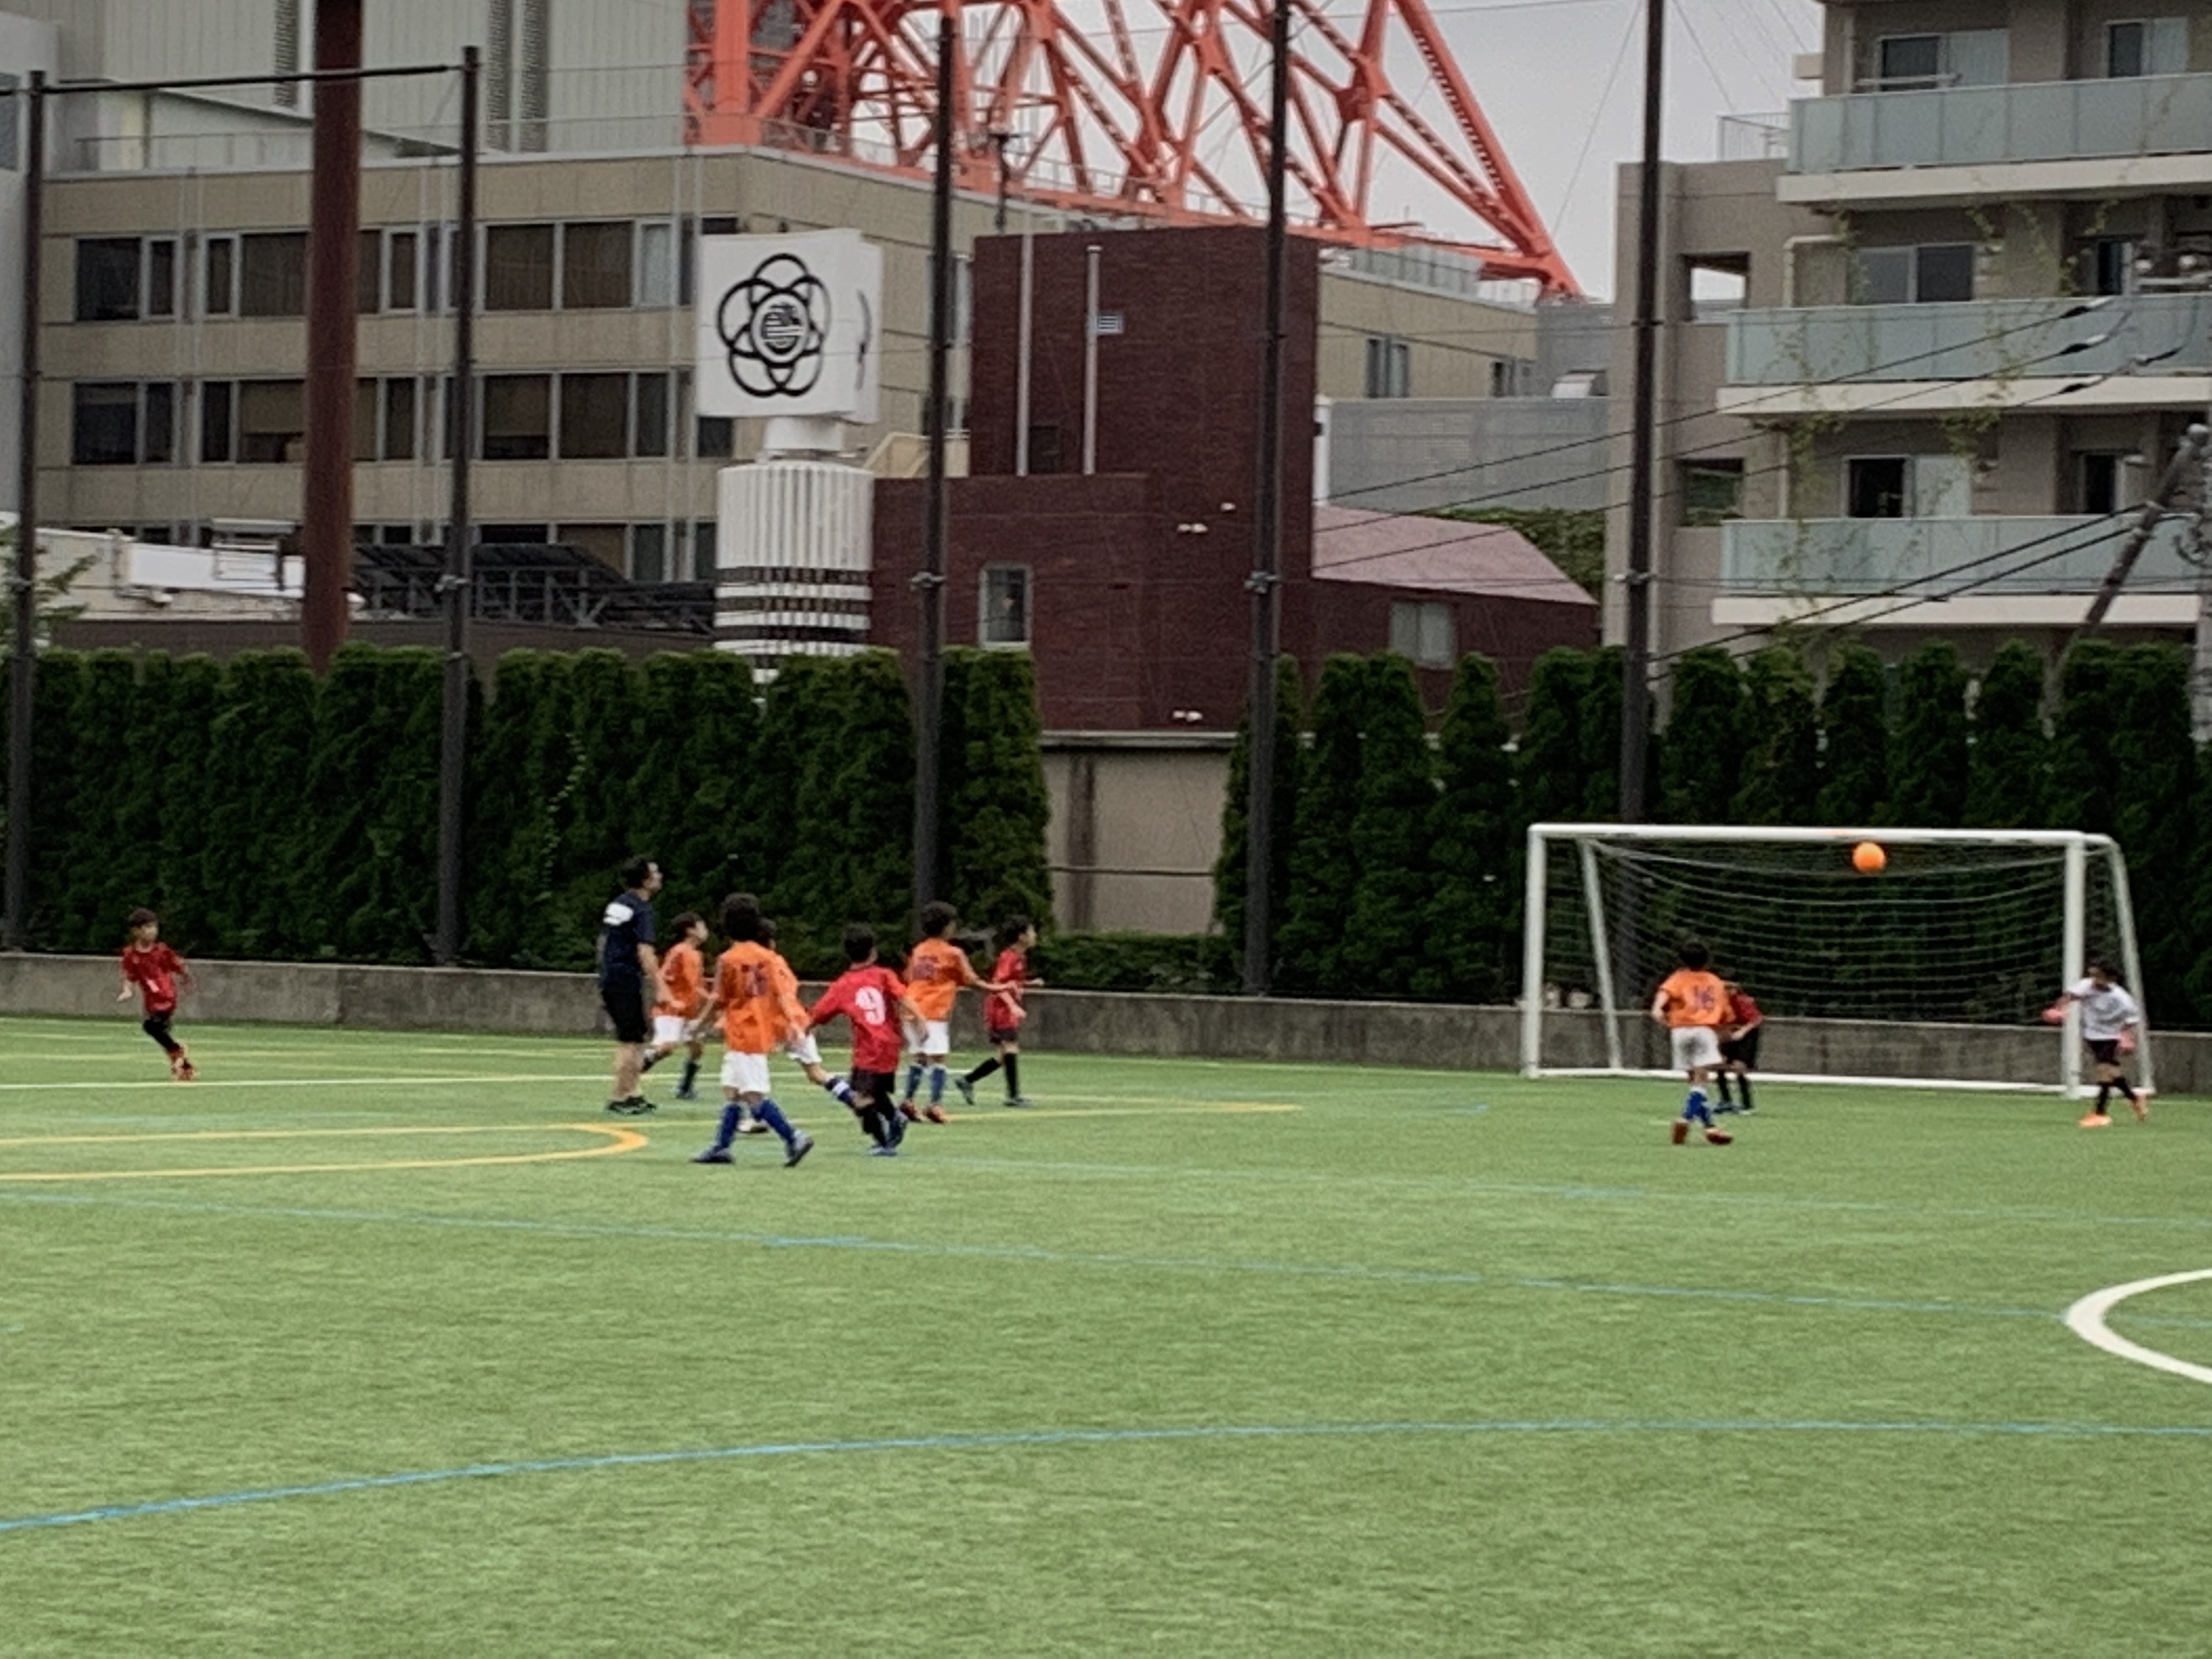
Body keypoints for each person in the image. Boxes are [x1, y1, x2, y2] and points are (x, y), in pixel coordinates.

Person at [692, 894, 814, 1167]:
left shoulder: (728, 959)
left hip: (741, 1033)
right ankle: (721, 1146)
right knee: (733, 1091)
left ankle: (793, 1136)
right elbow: (781, 995)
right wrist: (794, 1023)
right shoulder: (767, 958)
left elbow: (718, 998)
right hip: (760, 1031)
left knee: (753, 1096)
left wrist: (698, 1024)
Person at [808, 924, 922, 1155]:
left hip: (870, 1048)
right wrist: (921, 1020)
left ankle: (884, 1143)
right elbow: (904, 997)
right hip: (889, 1045)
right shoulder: (884, 975)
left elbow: (818, 1014)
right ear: (873, 952)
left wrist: (800, 1033)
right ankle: (895, 1118)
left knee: (861, 1099)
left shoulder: (842, 985)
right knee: (875, 1091)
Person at [899, 900, 1003, 1123]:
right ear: (947, 926)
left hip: (911, 1009)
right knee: (938, 1060)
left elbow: (909, 977)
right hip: (933, 1011)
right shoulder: (953, 953)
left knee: (919, 1057)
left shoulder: (919, 950)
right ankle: (935, 1105)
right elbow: (972, 979)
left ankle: (908, 1101)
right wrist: (997, 988)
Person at [598, 855, 666, 1117]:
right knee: (630, 1039)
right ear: (645, 880)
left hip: (612, 974)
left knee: (636, 1035)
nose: (659, 876)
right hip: (625, 977)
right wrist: (661, 986)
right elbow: (645, 952)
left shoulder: (619, 903)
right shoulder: (641, 909)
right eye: (655, 873)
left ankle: (633, 1092)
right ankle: (620, 1096)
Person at [1651, 939, 1733, 1147]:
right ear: (1707, 960)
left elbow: (1662, 997)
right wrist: (1724, 1033)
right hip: (1704, 1030)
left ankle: (1710, 1127)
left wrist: (1659, 1010)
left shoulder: (1678, 978)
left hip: (1680, 1031)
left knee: (1694, 1083)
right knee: (1701, 1082)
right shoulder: (1715, 981)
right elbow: (1726, 1013)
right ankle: (1685, 1117)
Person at [956, 915, 1043, 1108]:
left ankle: (967, 1080)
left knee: (1003, 1055)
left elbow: (1013, 982)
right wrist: (1012, 1005)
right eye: (1031, 931)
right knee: (1011, 1048)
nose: (1034, 935)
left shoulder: (1020, 957)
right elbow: (998, 983)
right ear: (1021, 936)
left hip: (1005, 1009)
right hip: (1000, 1010)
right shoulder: (1009, 957)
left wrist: (1029, 983)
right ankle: (1013, 1096)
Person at [2052, 959, 2148, 1127]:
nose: (2094, 980)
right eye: (2093, 976)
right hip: (2091, 1034)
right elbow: (2069, 997)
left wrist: (2126, 1037)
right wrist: (2059, 1010)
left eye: (2099, 976)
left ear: (2110, 979)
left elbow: (2132, 1019)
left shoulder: (2122, 999)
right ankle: (2134, 1098)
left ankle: (2100, 1113)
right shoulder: (2086, 985)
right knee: (2113, 1073)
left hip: (2111, 1035)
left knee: (2103, 1071)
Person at [117, 907, 195, 1080]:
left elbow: (177, 965)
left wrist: (185, 975)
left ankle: (176, 1051)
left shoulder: (161, 950)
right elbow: (130, 976)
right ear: (136, 931)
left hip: (167, 996)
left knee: (151, 1027)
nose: (153, 931)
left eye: (154, 927)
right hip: (151, 1000)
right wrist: (127, 990)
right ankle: (183, 1064)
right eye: (148, 927)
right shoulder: (131, 955)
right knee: (157, 1029)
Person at [646, 911, 709, 1100]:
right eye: (702, 926)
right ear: (691, 931)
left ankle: (685, 1087)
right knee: (667, 1047)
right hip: (673, 1009)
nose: (706, 930)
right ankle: (636, 1067)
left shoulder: (684, 952)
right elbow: (694, 984)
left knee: (696, 1047)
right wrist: (716, 999)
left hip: (686, 1009)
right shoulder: (685, 952)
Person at [1713, 980, 1763, 1116]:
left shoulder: (1743, 1001)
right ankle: (1726, 1100)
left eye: (1727, 990)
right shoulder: (1719, 1003)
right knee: (1720, 1063)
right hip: (1729, 1032)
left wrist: (1742, 1032)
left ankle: (1747, 1104)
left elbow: (1756, 1019)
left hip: (1747, 1034)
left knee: (1739, 1067)